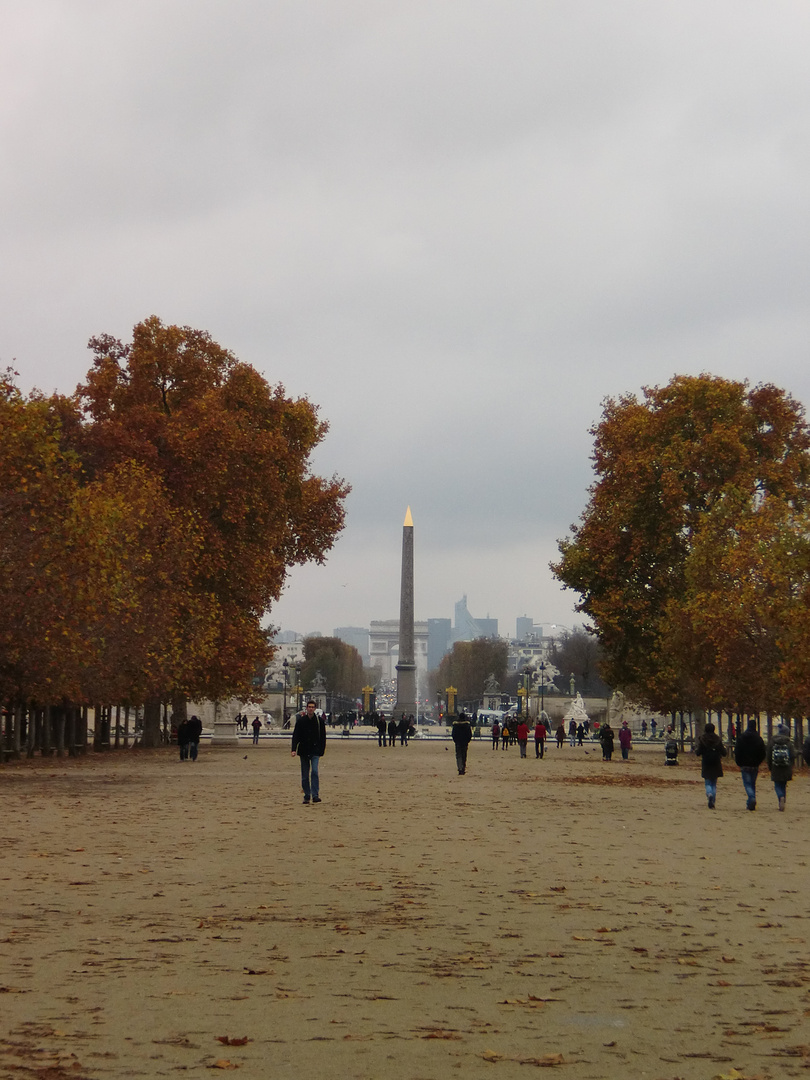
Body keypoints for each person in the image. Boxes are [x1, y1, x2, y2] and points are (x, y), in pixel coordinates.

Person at [291, 700, 327, 804]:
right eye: (309, 707)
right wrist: (293, 749)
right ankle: (307, 795)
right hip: (303, 750)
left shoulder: (319, 721)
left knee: (315, 772)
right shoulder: (301, 721)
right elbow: (296, 736)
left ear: (315, 709)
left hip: (315, 750)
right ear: (306, 708)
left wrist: (322, 750)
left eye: (312, 707)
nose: (311, 709)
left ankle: (315, 795)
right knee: (305, 775)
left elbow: (323, 737)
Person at [734, 718, 766, 811]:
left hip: (744, 764)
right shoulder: (758, 738)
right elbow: (763, 753)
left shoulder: (742, 737)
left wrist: (739, 762)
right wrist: (758, 762)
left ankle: (751, 798)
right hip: (754, 765)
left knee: (747, 784)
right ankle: (751, 801)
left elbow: (737, 751)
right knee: (752, 783)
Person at [694, 722, 726, 808]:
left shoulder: (702, 739)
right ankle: (713, 801)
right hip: (716, 762)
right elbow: (724, 752)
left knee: (707, 782)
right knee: (714, 783)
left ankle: (709, 794)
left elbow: (698, 751)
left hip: (706, 761)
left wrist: (697, 752)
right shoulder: (718, 739)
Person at [766, 723, 796, 812]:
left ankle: (780, 797)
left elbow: (768, 754)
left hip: (775, 766)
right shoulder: (789, 742)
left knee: (777, 784)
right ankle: (783, 799)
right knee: (783, 784)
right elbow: (793, 755)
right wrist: (791, 765)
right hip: (786, 766)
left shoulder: (772, 741)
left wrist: (770, 766)